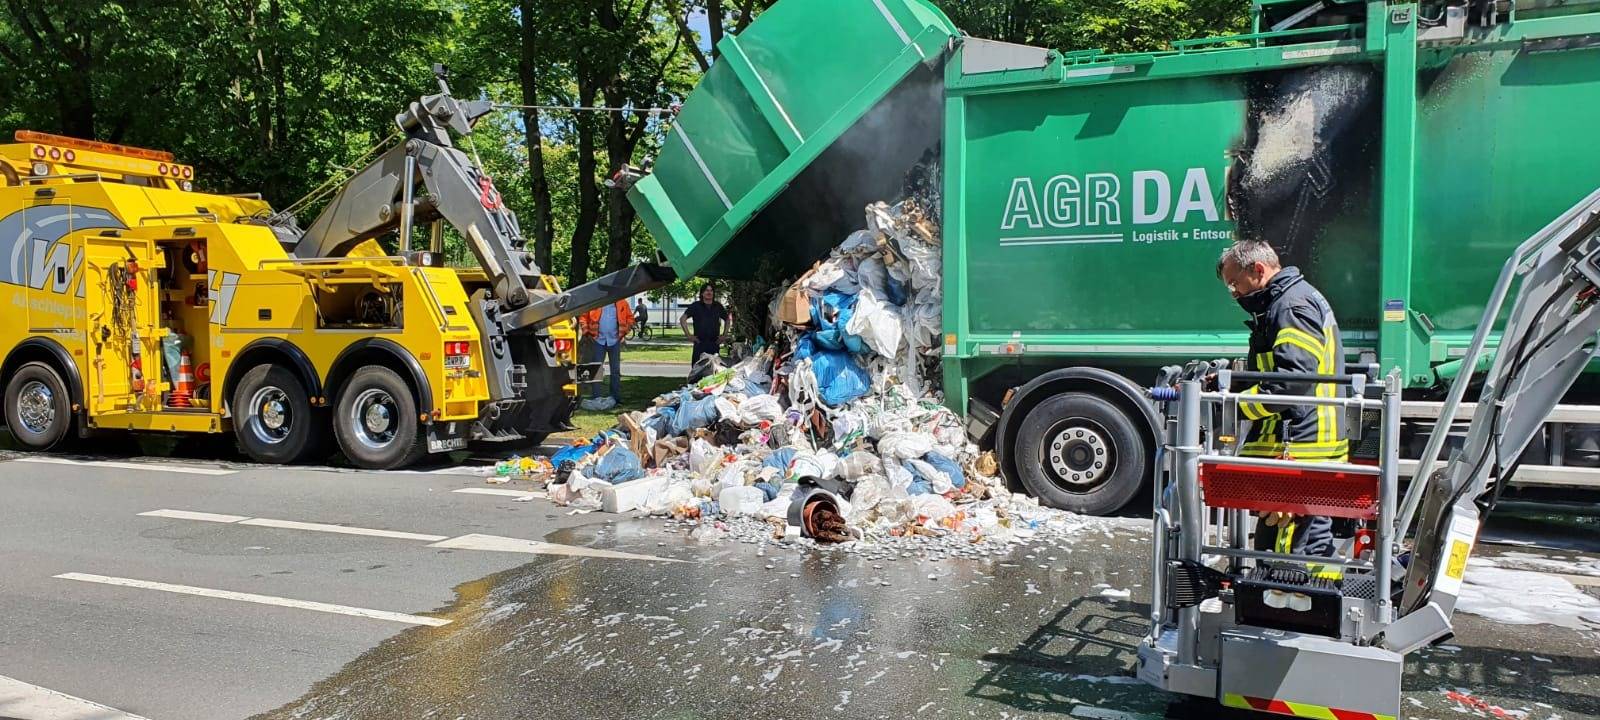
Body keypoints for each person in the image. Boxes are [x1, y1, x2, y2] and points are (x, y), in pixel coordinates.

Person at [1216, 240, 1346, 573]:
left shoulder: (1290, 306)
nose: (1233, 294)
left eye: (1235, 284)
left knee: (1292, 548)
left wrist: (1238, 407)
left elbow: (1293, 381)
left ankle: (1297, 607)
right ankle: (1304, 607)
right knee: (1295, 537)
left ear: (1258, 270)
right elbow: (1279, 371)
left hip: (1302, 443)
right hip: (1303, 439)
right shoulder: (1287, 301)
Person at [579, 299, 635, 411]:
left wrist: (624, 331)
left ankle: (616, 398)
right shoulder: (595, 302)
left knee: (615, 371)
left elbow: (630, 319)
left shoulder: (622, 303)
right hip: (597, 340)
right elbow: (583, 317)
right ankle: (596, 396)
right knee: (594, 369)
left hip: (615, 341)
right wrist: (586, 333)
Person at [679, 283, 730, 366]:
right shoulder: (695, 306)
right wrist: (688, 335)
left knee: (714, 369)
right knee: (698, 369)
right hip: (700, 343)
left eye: (711, 290)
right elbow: (682, 319)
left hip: (714, 343)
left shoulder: (718, 306)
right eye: (706, 290)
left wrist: (724, 335)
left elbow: (727, 320)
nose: (709, 292)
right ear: (702, 293)